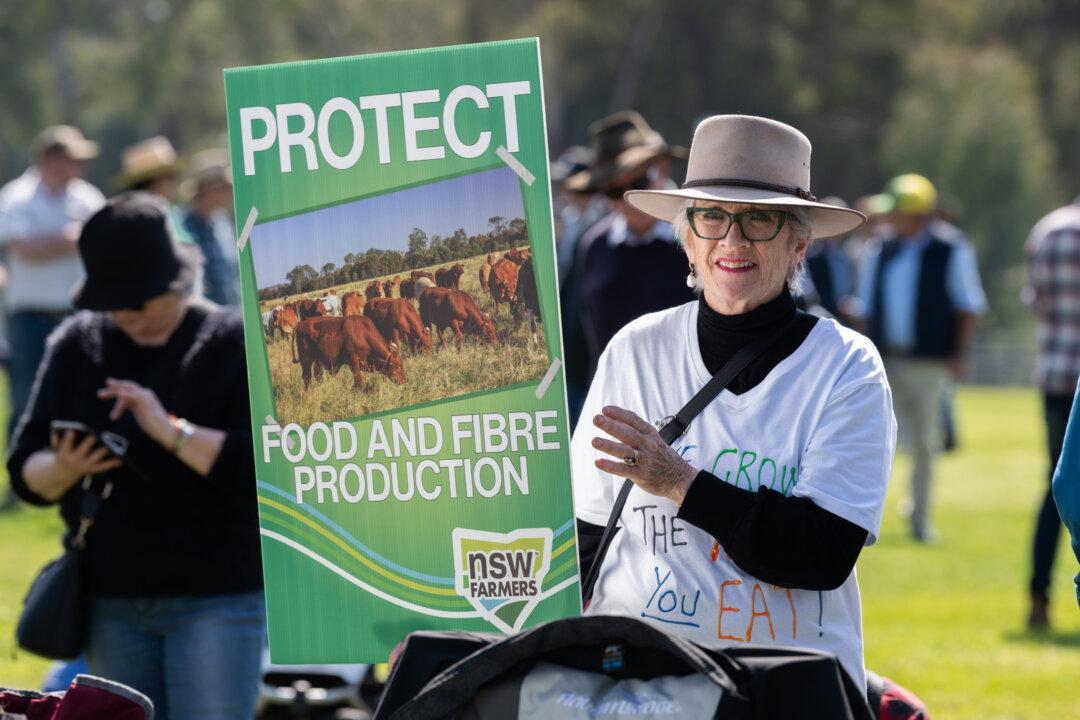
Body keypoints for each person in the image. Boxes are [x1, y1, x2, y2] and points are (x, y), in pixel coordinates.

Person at [572, 114, 896, 692]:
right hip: (638, 687)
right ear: (687, 239)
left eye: (759, 220)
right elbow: (583, 539)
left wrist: (678, 481)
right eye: (712, 217)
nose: (733, 241)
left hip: (783, 690)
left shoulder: (847, 367)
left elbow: (820, 553)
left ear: (799, 245)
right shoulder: (635, 350)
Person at [7, 192, 264, 719]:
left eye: (138, 301)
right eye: (112, 303)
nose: (125, 314)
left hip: (217, 599)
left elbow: (261, 469)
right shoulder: (78, 344)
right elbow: (26, 473)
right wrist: (68, 466)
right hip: (111, 603)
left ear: (175, 281)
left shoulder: (230, 340)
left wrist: (167, 429)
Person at [855, 174, 986, 542]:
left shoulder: (952, 248)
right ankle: (862, 520)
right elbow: (865, 306)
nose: (888, 218)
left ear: (914, 214)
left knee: (926, 445)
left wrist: (959, 353)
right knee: (871, 441)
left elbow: (968, 305)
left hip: (930, 362)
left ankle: (919, 518)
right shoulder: (879, 249)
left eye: (895, 211)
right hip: (883, 360)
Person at [561, 111, 692, 424]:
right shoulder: (592, 246)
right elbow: (577, 343)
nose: (628, 199)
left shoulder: (701, 239)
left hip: (692, 419)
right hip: (612, 418)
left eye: (636, 182)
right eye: (612, 190)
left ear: (660, 169)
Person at [0, 125, 105, 511]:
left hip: (78, 314)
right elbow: (24, 246)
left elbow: (97, 240)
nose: (78, 167)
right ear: (51, 160)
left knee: (83, 394)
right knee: (25, 398)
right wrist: (73, 237)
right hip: (30, 315)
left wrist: (56, 239)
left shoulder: (86, 197)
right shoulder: (16, 196)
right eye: (72, 159)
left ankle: (77, 472)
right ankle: (22, 478)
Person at [1025, 195, 1080, 628]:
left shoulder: (1048, 229)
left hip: (1057, 374)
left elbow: (1035, 301)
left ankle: (1038, 595)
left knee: (1057, 484)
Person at [181, 149, 240, 306]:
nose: (230, 193)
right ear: (210, 190)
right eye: (225, 188)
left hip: (233, 318)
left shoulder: (223, 223)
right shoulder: (181, 226)